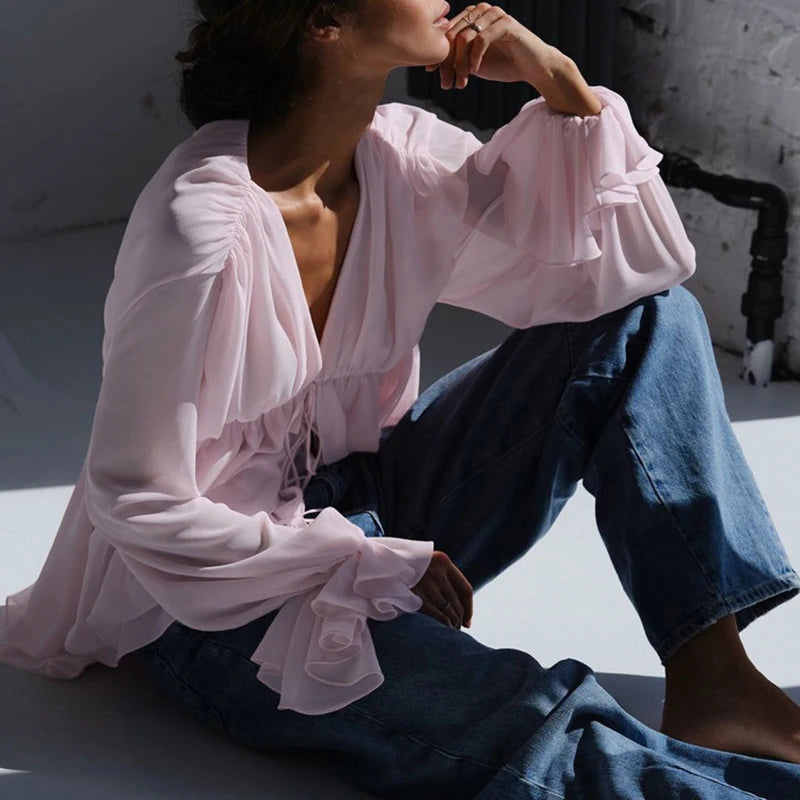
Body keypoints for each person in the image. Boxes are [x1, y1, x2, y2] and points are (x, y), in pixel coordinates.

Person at [2, 1, 799, 797]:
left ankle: (715, 679)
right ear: (322, 20)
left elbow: (639, 273)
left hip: (372, 502)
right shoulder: (200, 225)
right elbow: (132, 497)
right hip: (219, 597)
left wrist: (558, 79)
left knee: (646, 319)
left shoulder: (400, 158)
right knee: (524, 716)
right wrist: (356, 558)